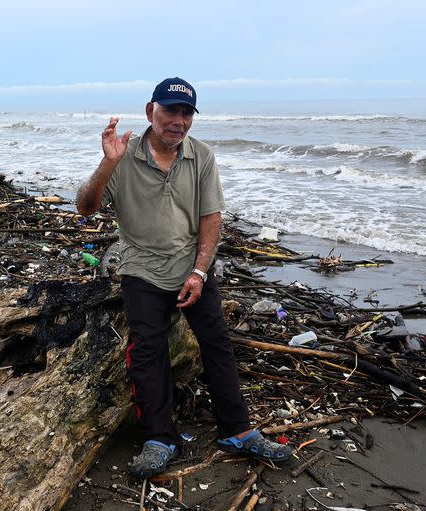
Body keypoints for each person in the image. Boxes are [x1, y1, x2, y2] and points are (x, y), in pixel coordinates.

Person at [76, 77, 294, 479]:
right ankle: (160, 437)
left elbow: (211, 218)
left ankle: (238, 431)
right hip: (141, 267)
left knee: (217, 343)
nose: (178, 121)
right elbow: (86, 208)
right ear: (150, 112)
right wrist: (107, 162)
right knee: (147, 349)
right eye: (170, 111)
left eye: (186, 113)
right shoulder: (123, 157)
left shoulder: (202, 156)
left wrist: (199, 272)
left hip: (189, 267)